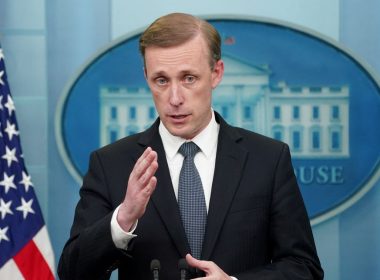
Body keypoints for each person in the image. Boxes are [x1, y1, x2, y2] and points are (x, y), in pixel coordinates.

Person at [58, 12, 323, 280]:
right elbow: (72, 273)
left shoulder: (268, 159)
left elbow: (304, 268)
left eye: (188, 78)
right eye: (161, 80)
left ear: (216, 73)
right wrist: (123, 218)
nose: (174, 99)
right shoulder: (112, 164)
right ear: (147, 77)